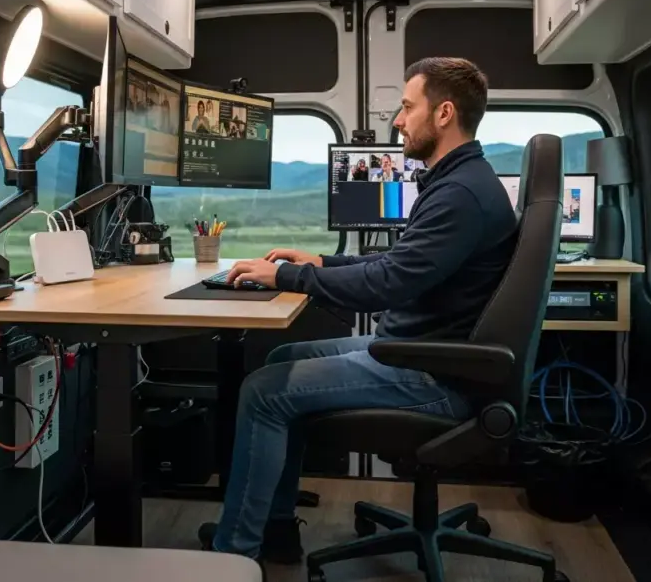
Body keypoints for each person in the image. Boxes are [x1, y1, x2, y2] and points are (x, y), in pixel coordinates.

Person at [197, 57, 519, 564]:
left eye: (408, 107)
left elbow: (387, 284)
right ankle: (275, 530)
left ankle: (233, 554)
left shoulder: (459, 193)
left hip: (431, 374)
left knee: (262, 393)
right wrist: (322, 259)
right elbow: (401, 263)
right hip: (420, 352)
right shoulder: (460, 180)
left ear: (444, 113)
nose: (397, 120)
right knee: (281, 358)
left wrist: (287, 277)